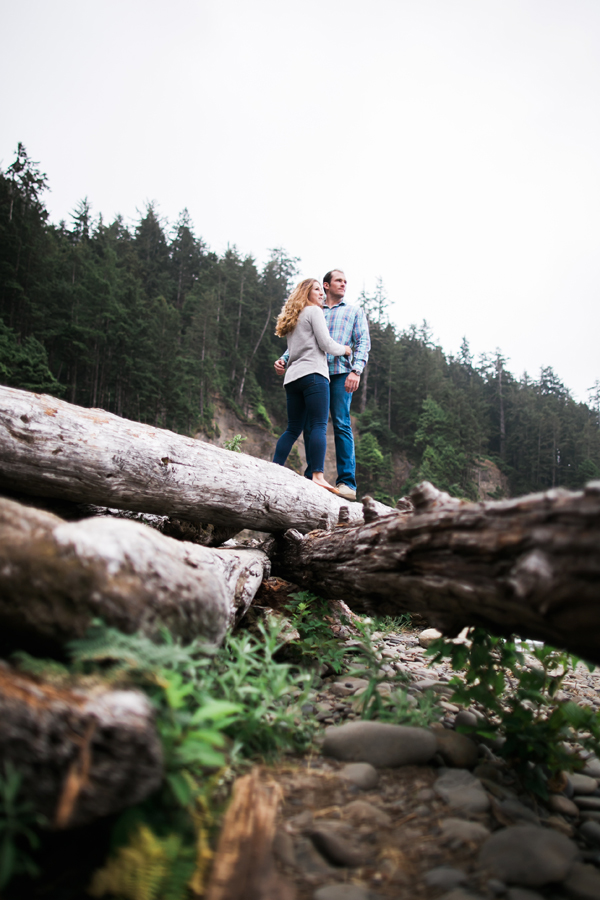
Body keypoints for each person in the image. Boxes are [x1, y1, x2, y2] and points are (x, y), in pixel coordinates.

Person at [274, 269, 370, 500]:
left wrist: (356, 370)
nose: (344, 284)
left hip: (339, 374)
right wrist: (284, 359)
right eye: (338, 280)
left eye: (346, 281)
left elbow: (363, 342)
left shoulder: (353, 311)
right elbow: (304, 341)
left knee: (340, 423)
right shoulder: (314, 309)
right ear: (326, 285)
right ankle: (312, 476)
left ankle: (346, 483)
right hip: (315, 373)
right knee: (310, 425)